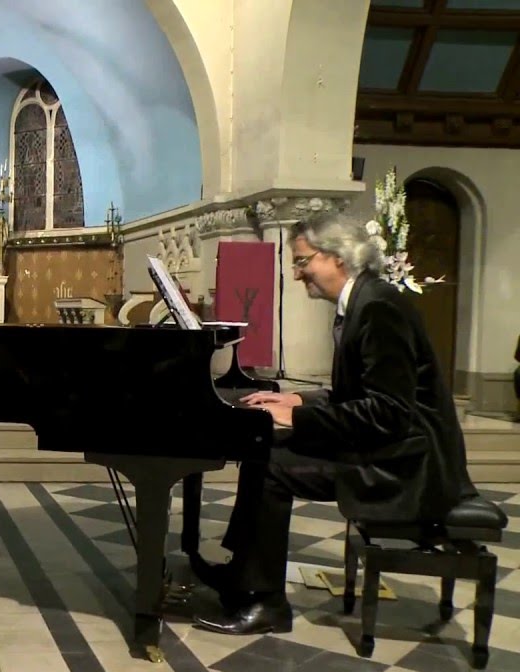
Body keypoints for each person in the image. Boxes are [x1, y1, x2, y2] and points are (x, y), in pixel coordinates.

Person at [192, 213, 478, 635]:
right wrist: (297, 399)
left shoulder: (379, 308)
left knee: (273, 467)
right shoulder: (364, 301)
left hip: (407, 466)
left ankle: (267, 603)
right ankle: (245, 574)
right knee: (262, 448)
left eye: (303, 260)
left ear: (337, 258)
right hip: (392, 448)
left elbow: (389, 414)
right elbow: (363, 395)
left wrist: (299, 417)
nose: (297, 273)